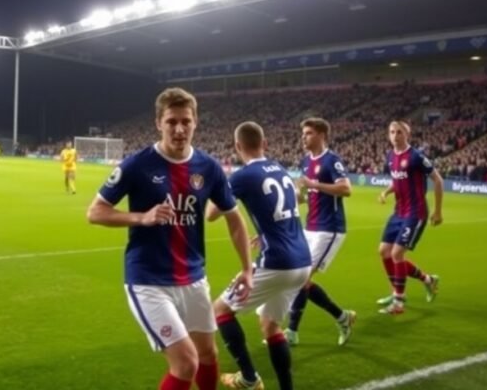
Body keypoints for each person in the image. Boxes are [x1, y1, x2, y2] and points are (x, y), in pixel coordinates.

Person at [87, 88, 253, 390]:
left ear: (195, 122)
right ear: (158, 123)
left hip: (193, 278)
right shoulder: (138, 164)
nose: (179, 129)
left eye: (185, 122)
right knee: (186, 362)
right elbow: (96, 212)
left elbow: (235, 220)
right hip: (149, 281)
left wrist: (247, 268)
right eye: (171, 122)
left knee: (207, 354)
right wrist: (141, 217)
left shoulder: (209, 167)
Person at [207, 121, 312, 390]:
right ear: (264, 143)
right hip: (303, 261)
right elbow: (293, 203)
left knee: (220, 311)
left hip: (276, 261)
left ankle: (249, 378)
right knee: (270, 326)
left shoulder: (242, 176)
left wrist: (217, 184)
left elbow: (211, 214)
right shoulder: (281, 169)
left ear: (237, 146)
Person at [284, 118, 356, 346]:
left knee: (301, 278)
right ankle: (343, 317)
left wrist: (314, 184)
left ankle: (292, 332)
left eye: (308, 133)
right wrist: (294, 197)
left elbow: (346, 188)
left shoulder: (331, 160)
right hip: (310, 227)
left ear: (322, 135)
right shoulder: (306, 161)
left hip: (329, 229)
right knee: (298, 278)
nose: (303, 137)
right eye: (303, 133)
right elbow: (305, 197)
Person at [377, 121, 443, 315]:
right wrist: (386, 192)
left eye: (399, 132)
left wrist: (438, 211)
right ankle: (427, 281)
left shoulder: (416, 157)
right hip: (398, 211)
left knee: (397, 254)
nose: (395, 135)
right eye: (391, 132)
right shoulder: (390, 156)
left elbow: (437, 180)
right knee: (384, 251)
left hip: (416, 212)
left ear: (407, 135)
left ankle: (398, 302)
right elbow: (397, 180)